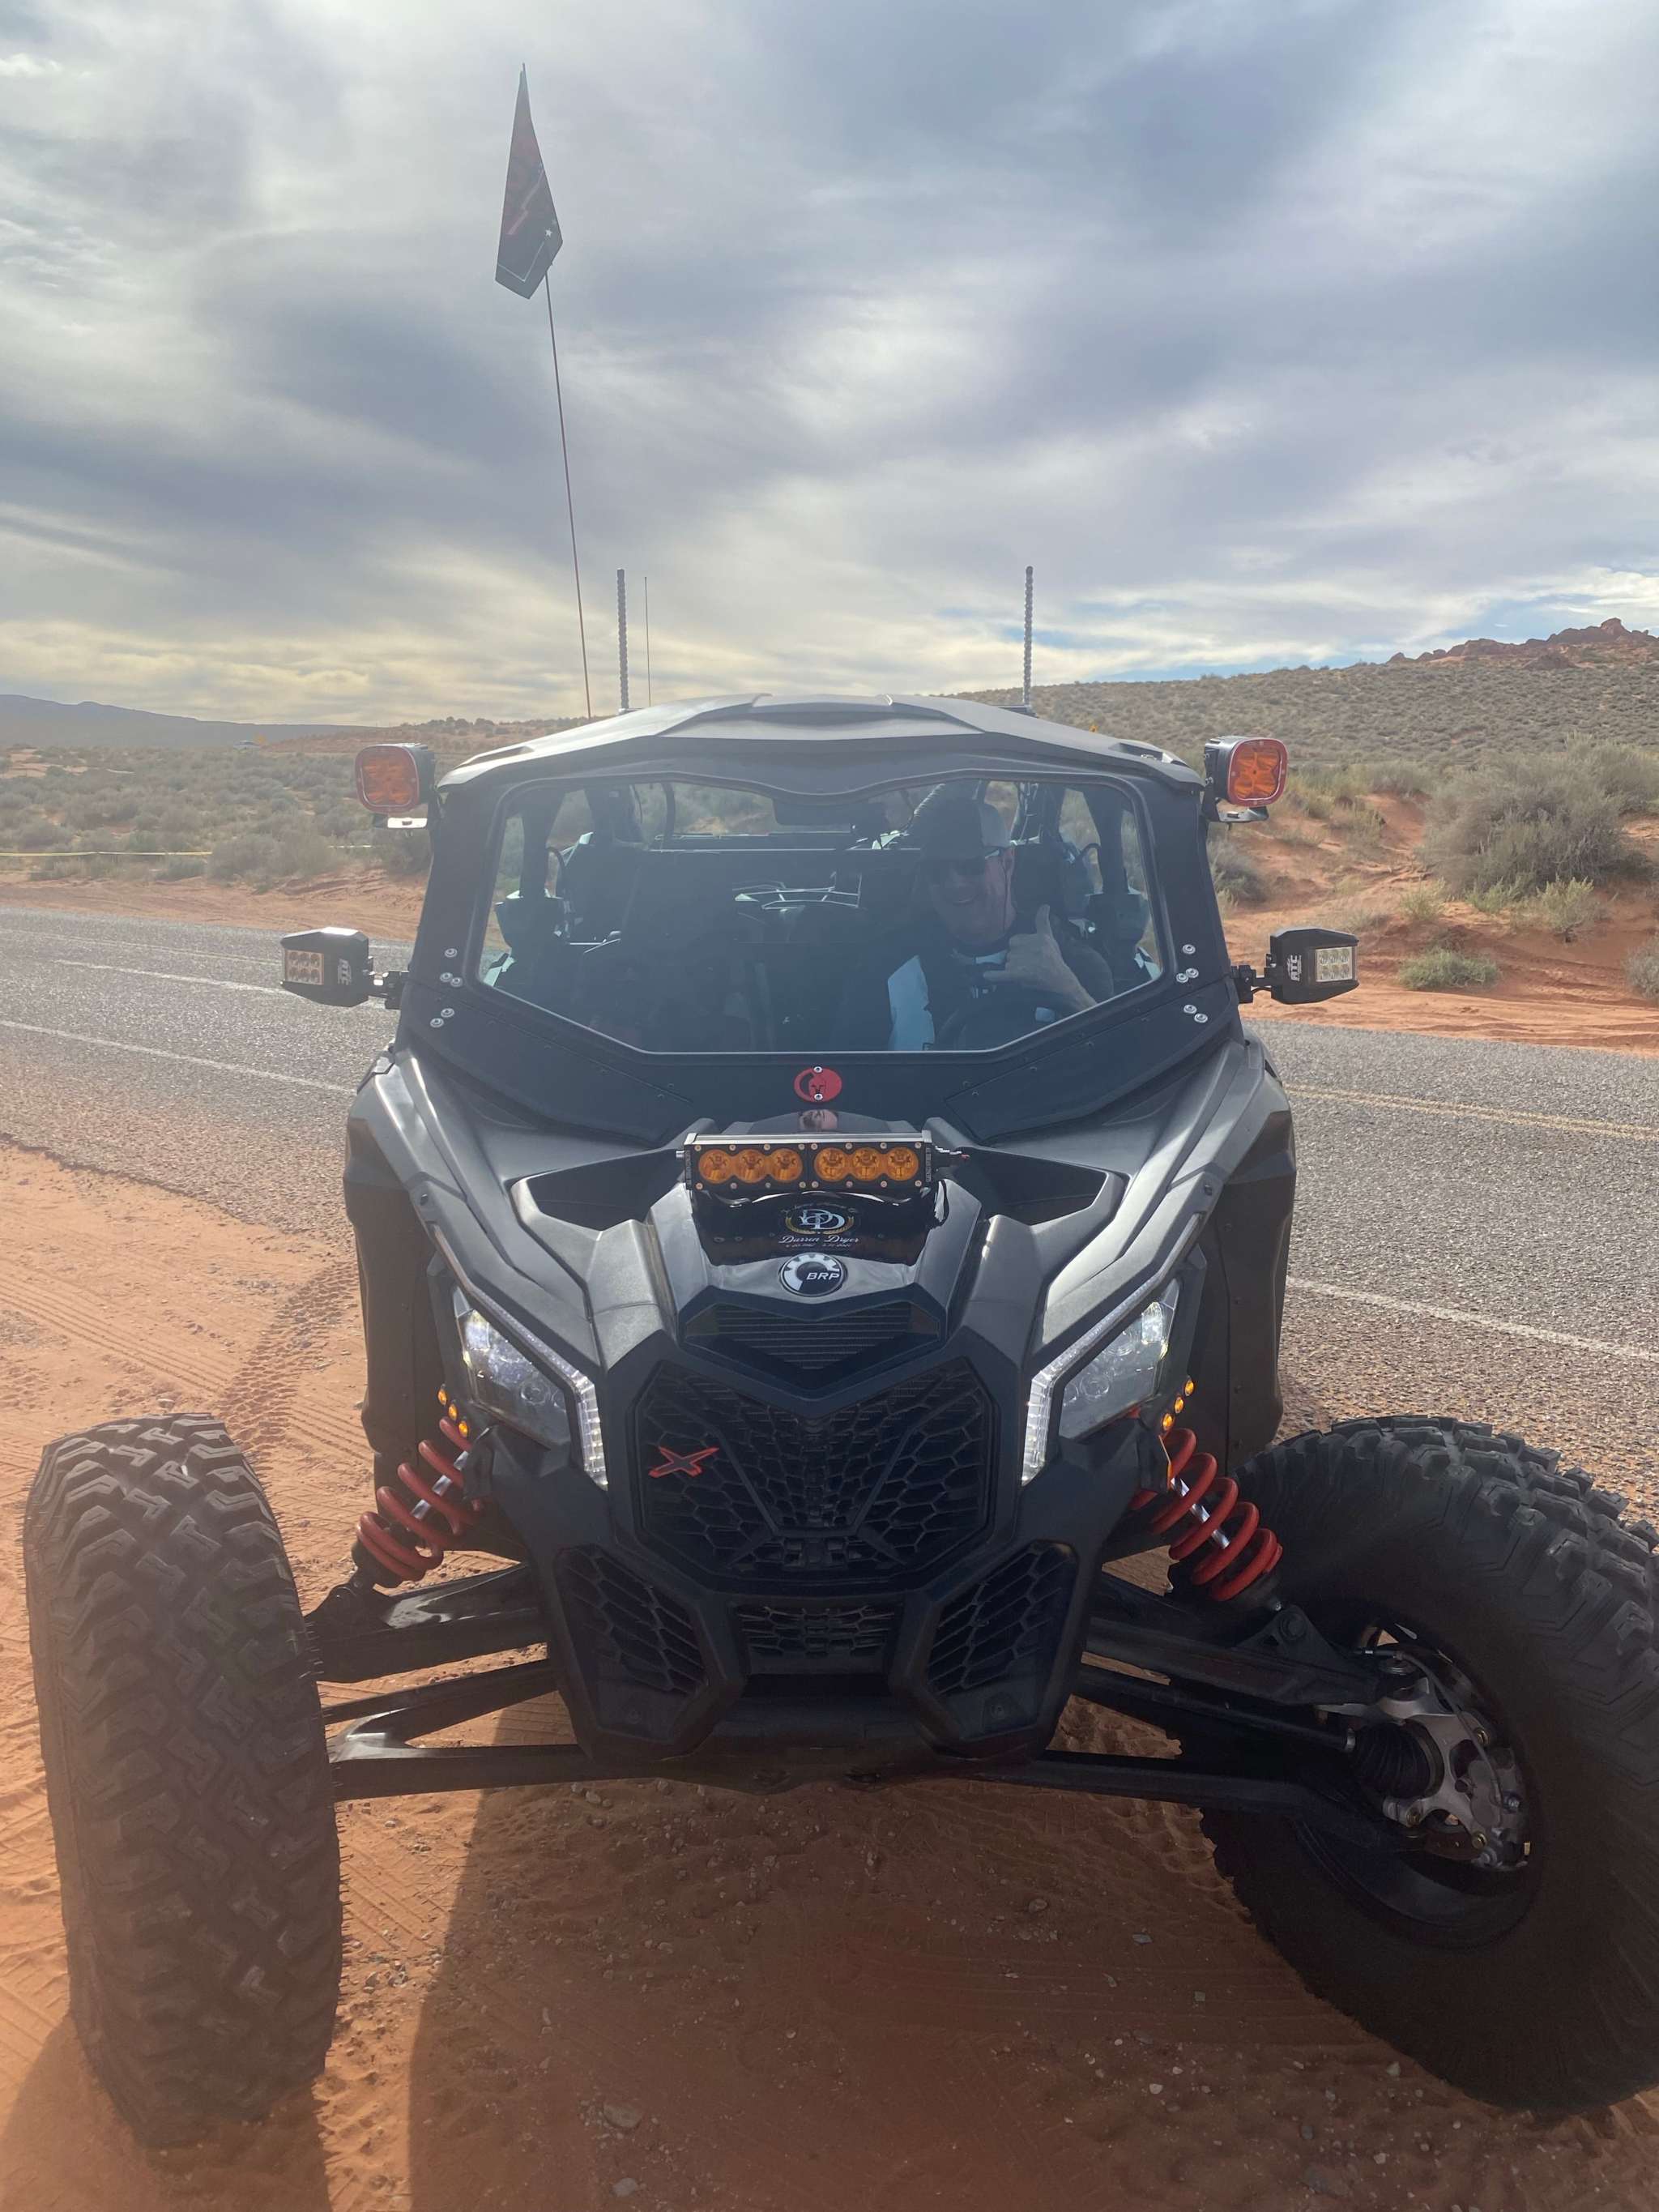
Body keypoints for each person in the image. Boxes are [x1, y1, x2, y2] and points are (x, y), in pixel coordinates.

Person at [842, 790, 1114, 1049]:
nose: (955, 884)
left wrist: (1069, 991)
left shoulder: (1070, 962)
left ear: (1008, 862)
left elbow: (1120, 1065)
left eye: (971, 865)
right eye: (936, 870)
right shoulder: (884, 967)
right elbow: (845, 1075)